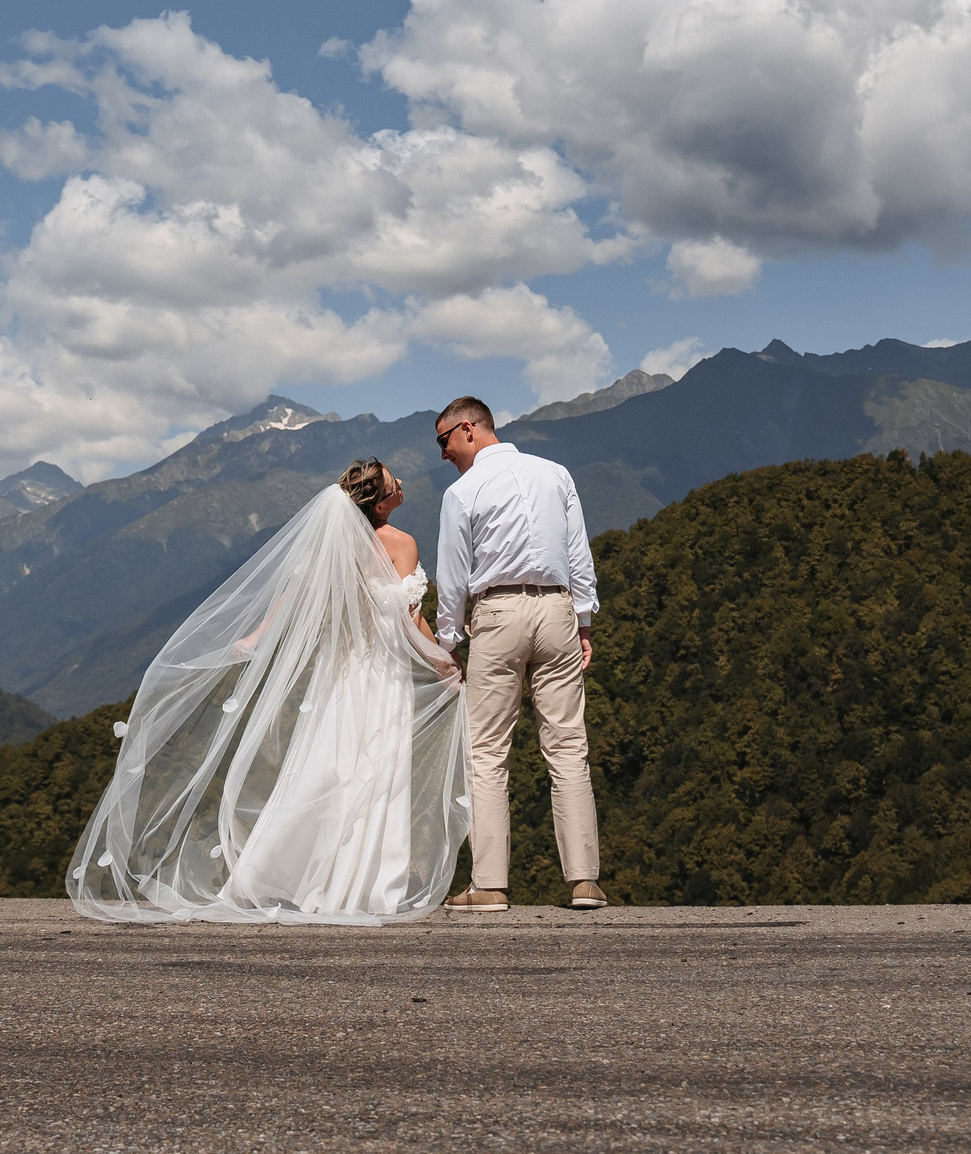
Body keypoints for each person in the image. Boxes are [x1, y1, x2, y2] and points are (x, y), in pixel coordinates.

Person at [66, 459, 467, 924]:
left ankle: (280, 873)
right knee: (378, 771)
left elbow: (291, 593)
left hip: (341, 673)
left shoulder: (334, 546)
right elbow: (406, 617)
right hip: (384, 673)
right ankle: (369, 883)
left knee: (326, 766)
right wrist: (441, 659)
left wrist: (257, 637)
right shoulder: (400, 543)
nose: (402, 483)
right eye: (394, 480)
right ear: (380, 501)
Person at [432, 396, 605, 912]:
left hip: (498, 614)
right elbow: (578, 551)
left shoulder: (462, 492)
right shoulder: (555, 474)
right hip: (556, 610)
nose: (442, 454)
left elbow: (453, 577)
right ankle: (585, 882)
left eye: (443, 441)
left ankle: (489, 885)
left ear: (467, 430)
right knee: (569, 745)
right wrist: (584, 622)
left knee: (487, 753)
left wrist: (446, 644)